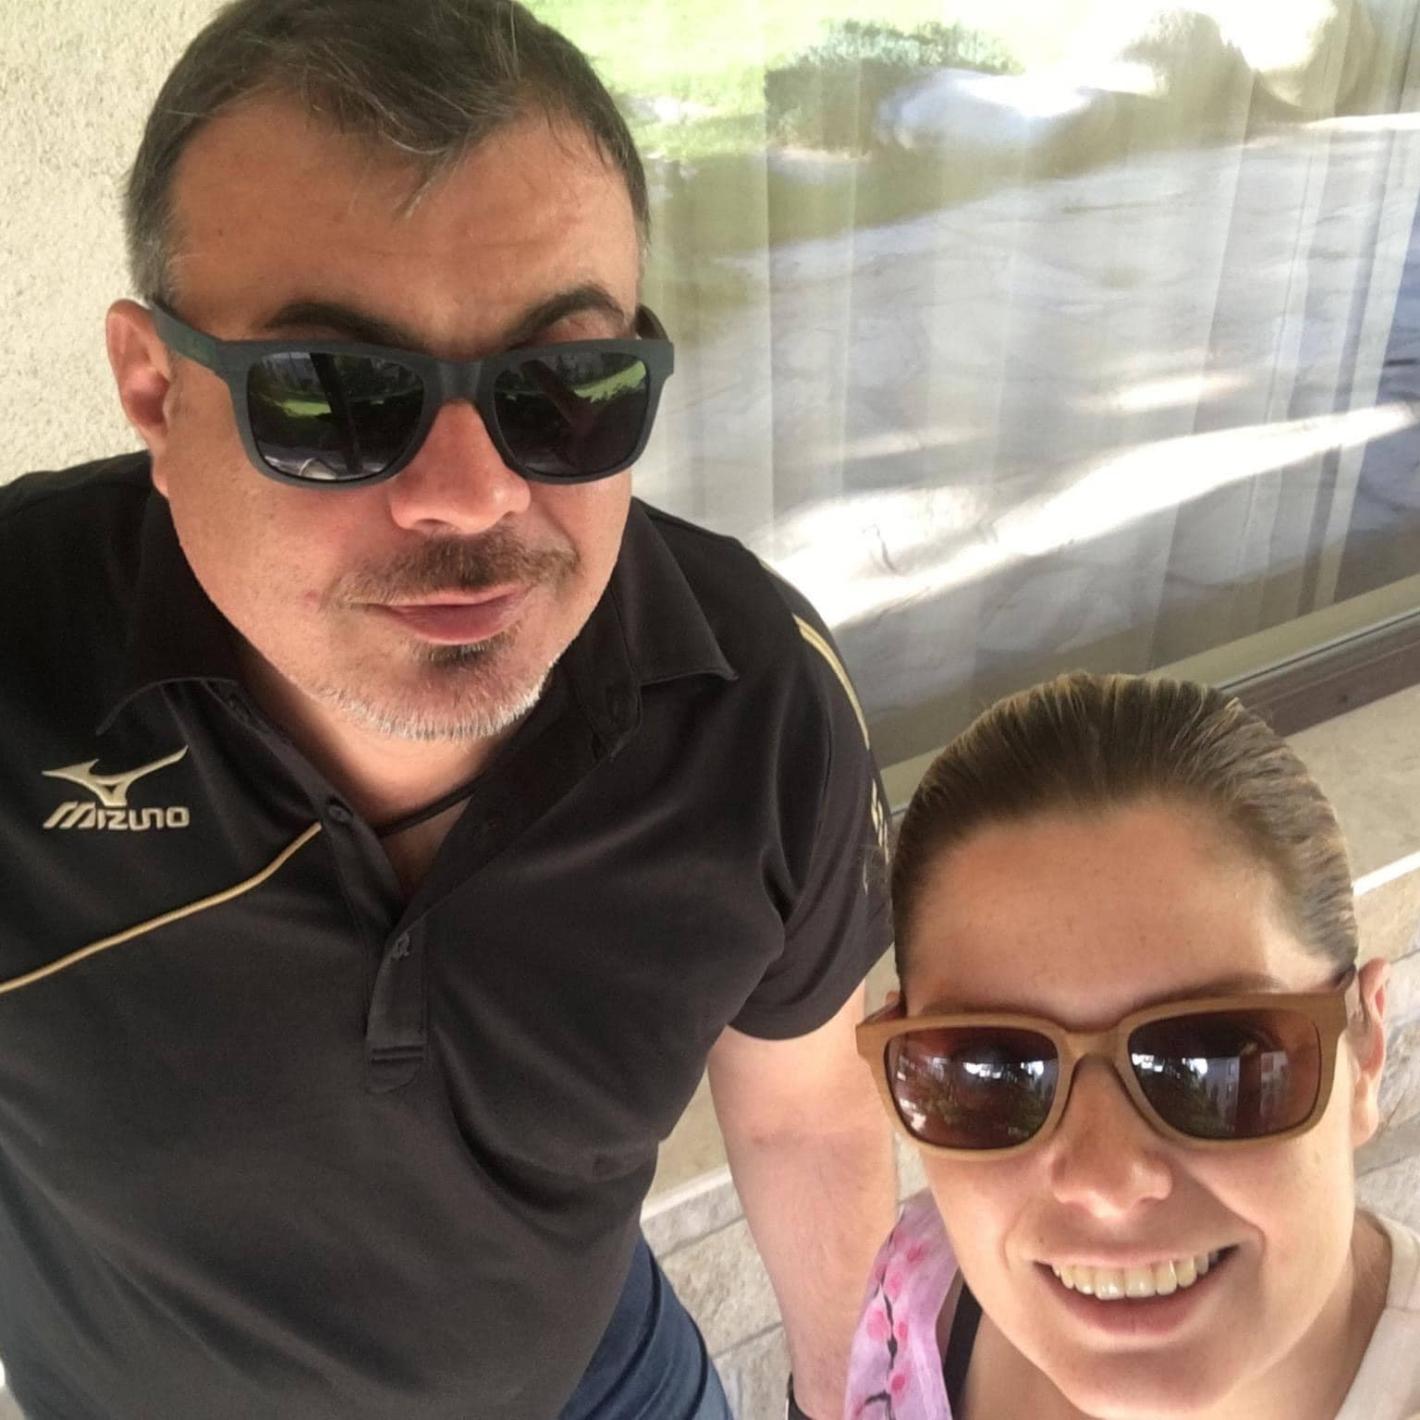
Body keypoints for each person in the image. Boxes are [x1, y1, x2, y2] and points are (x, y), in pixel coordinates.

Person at [0, 2, 898, 1417]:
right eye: (334, 398)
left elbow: (804, 1118)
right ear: (155, 392)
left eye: (565, 385)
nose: (473, 497)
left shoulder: (757, 708)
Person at [846, 673, 1420, 1420]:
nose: (1107, 1183)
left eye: (1215, 1059)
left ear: (1364, 1052)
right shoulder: (924, 1288)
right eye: (991, 1072)